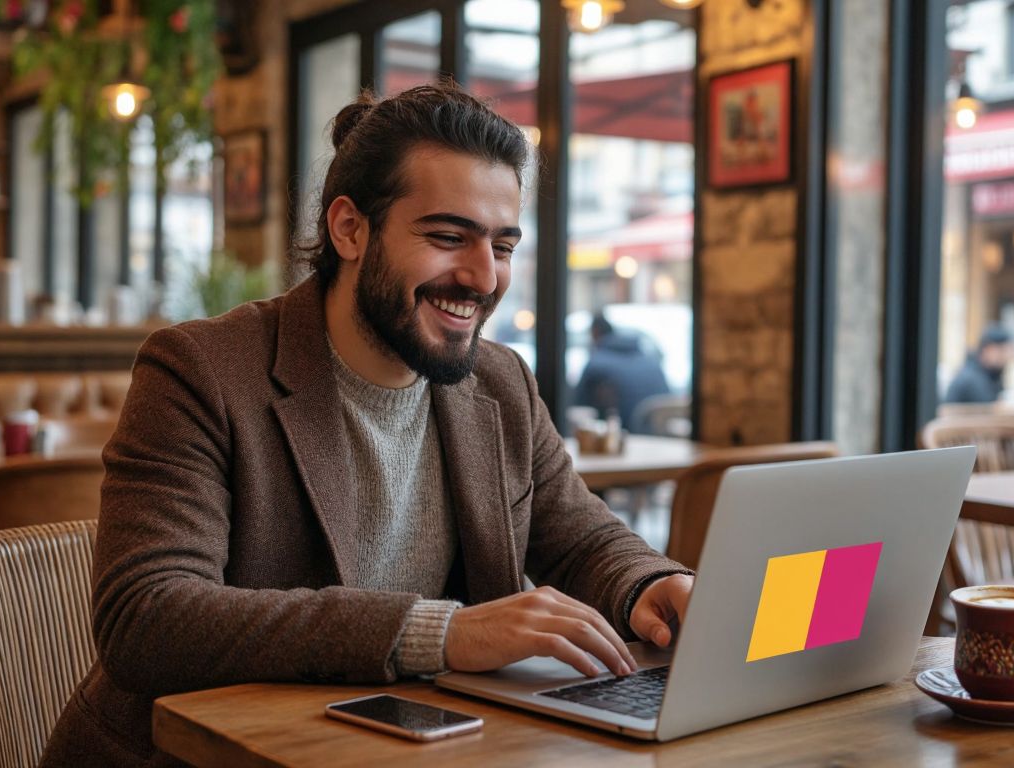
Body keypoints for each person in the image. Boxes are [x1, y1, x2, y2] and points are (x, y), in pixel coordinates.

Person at [42, 84, 694, 766]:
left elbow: (579, 536)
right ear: (349, 228)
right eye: (448, 237)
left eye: (502, 246)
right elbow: (147, 618)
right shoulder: (200, 369)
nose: (483, 276)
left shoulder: (500, 380)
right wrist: (440, 633)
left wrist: (651, 584)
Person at [574, 313, 672, 429]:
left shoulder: (596, 363)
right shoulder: (650, 360)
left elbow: (578, 404)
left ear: (595, 333)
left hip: (626, 433)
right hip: (662, 433)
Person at [945, 326, 1014, 404]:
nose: (1006, 356)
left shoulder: (991, 373)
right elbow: (988, 409)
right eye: (1002, 351)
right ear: (987, 350)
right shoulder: (971, 379)